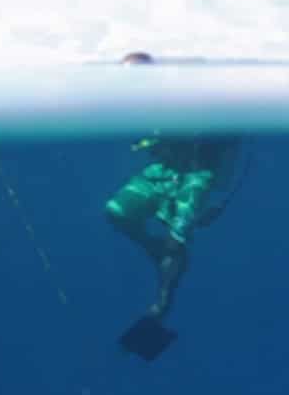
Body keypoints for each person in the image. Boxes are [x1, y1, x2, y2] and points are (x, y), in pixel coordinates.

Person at [103, 51, 247, 360]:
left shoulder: (195, 92)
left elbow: (241, 145)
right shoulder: (141, 99)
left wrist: (223, 199)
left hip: (200, 174)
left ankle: (161, 305)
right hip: (164, 170)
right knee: (116, 211)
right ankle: (156, 251)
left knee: (176, 237)